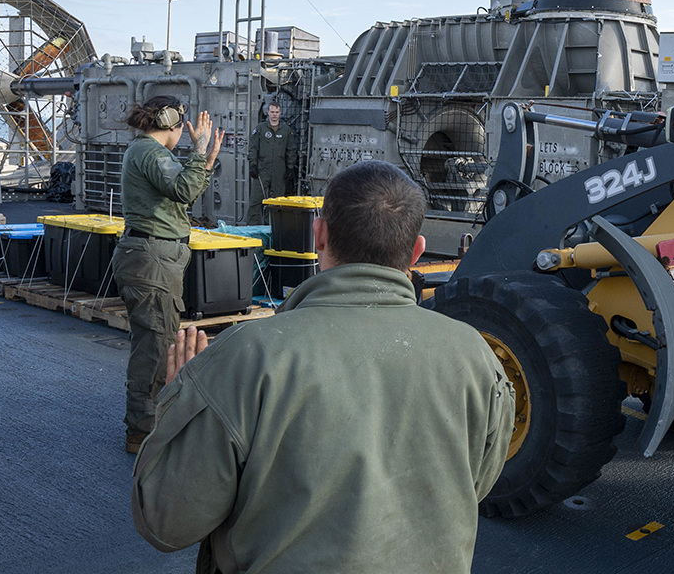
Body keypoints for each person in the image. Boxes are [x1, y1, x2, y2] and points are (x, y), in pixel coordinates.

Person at [131, 160, 515, 574]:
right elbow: (474, 483)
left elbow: (166, 523)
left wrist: (178, 403)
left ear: (319, 235)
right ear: (417, 250)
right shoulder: (477, 357)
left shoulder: (244, 357)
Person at [114, 95, 223, 454]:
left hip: (151, 259)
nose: (186, 132)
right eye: (183, 126)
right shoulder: (151, 153)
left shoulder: (145, 153)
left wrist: (204, 163)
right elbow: (183, 189)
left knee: (151, 343)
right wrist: (200, 149)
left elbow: (182, 197)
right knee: (156, 349)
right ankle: (142, 432)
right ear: (171, 122)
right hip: (153, 261)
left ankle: (143, 423)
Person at [245, 99, 297, 224]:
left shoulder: (285, 130)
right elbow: (253, 147)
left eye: (277, 112)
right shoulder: (260, 129)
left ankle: (272, 229)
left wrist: (290, 167)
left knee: (276, 202)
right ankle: (251, 229)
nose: (274, 114)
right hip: (262, 169)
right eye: (272, 112)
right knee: (256, 201)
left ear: (280, 113)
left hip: (279, 169)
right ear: (267, 112)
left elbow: (291, 149)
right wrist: (253, 164)